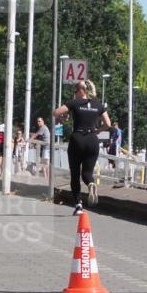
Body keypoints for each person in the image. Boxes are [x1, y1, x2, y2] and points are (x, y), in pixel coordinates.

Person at [54, 79, 111, 215]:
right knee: (87, 173)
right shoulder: (98, 105)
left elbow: (55, 112)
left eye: (75, 91)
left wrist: (64, 117)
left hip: (77, 139)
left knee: (75, 174)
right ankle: (91, 184)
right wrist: (98, 130)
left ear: (81, 90)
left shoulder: (75, 103)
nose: (74, 93)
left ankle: (79, 205)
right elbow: (108, 124)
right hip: (92, 140)